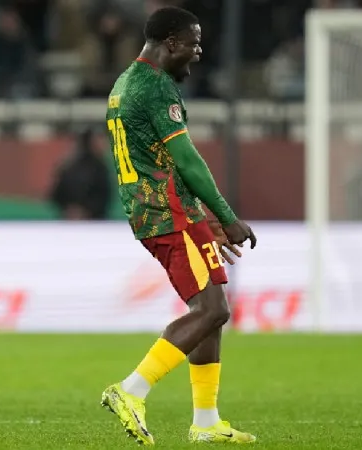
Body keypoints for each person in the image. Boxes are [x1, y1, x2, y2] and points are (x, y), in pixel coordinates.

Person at [100, 6, 257, 445]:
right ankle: (131, 390)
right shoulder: (155, 86)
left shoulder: (125, 83)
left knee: (211, 312)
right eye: (193, 43)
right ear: (171, 43)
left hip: (166, 209)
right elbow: (186, 159)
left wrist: (205, 216)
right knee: (212, 310)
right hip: (167, 212)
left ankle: (206, 421)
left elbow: (158, 160)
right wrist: (226, 216)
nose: (198, 52)